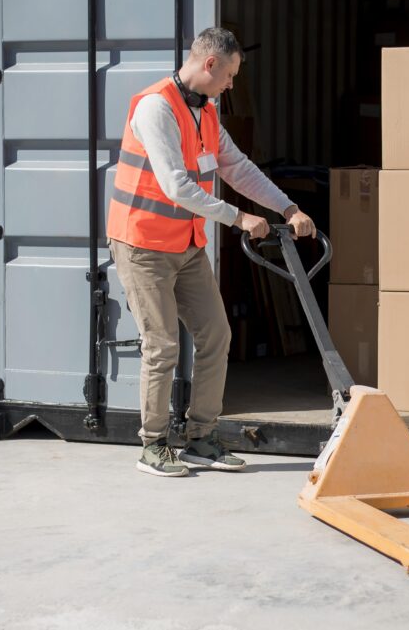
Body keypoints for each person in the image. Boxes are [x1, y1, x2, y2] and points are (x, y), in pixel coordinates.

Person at [107, 27, 315, 477]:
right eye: (231, 75)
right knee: (162, 345)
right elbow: (176, 186)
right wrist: (239, 218)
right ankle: (153, 444)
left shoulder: (206, 113)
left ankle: (200, 438)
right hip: (142, 244)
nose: (232, 85)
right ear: (210, 64)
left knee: (216, 335)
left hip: (185, 244)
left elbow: (237, 167)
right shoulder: (156, 107)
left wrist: (288, 206)